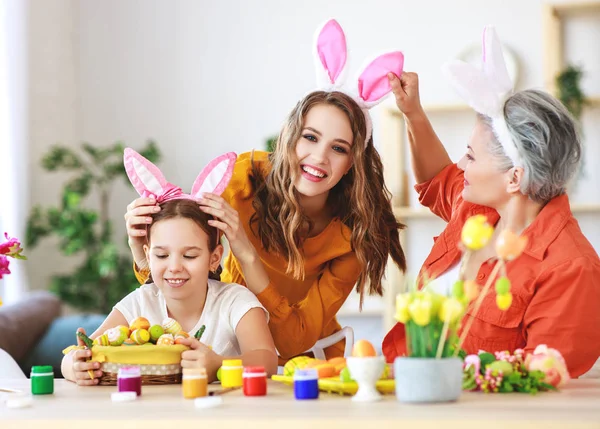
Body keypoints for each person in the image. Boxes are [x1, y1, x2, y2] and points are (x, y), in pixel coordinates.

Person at [125, 19, 407, 361]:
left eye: (339, 148)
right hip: (225, 351)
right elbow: (181, 267)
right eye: (310, 137)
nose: (318, 158)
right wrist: (141, 248)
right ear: (290, 136)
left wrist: (247, 255)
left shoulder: (353, 236)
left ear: (352, 163)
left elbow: (291, 343)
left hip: (306, 366)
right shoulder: (244, 179)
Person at [382, 26, 600, 377]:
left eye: (470, 156)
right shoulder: (477, 211)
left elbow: (542, 383)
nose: (461, 165)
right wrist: (413, 113)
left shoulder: (571, 268)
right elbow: (436, 179)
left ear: (514, 177)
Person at [62, 150, 277, 386]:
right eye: (162, 255)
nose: (174, 267)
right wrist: (74, 365)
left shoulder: (234, 301)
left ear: (214, 258)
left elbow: (266, 359)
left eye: (189, 255)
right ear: (147, 256)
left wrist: (218, 364)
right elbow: (83, 350)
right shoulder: (141, 302)